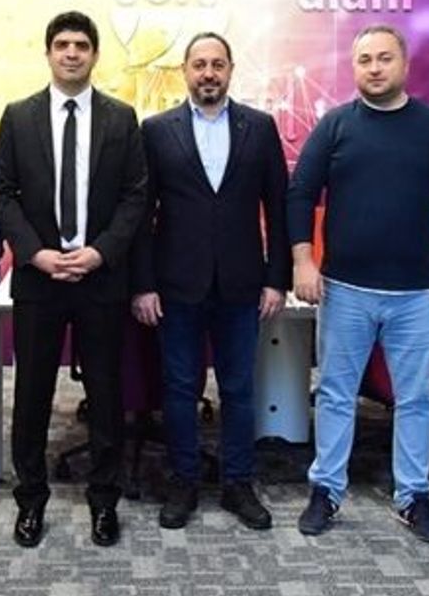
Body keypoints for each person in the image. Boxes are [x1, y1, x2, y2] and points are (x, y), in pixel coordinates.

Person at [286, 25, 429, 543]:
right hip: (345, 291)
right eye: (365, 59)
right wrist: (303, 261)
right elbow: (300, 193)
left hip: (418, 295)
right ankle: (326, 490)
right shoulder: (335, 125)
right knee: (335, 394)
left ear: (404, 64)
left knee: (416, 398)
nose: (374, 67)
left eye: (384, 58)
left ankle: (413, 497)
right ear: (355, 67)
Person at [0, 10, 147, 548]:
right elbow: (3, 194)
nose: (72, 53)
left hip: (100, 278)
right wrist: (34, 254)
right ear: (49, 53)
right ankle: (30, 501)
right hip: (40, 279)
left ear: (95, 54)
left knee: (105, 392)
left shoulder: (121, 118)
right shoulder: (19, 116)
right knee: (32, 394)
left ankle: (104, 501)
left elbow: (135, 196)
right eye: (62, 45)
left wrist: (101, 253)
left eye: (82, 45)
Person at [131, 32, 290, 530]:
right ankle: (183, 482)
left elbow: (278, 209)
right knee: (180, 387)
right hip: (176, 285)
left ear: (230, 70)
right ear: (185, 71)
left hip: (242, 285)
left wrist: (277, 279)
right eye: (199, 64)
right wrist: (143, 284)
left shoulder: (260, 128)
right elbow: (141, 215)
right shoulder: (156, 131)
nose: (208, 73)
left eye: (217, 64)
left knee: (239, 388)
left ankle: (238, 483)